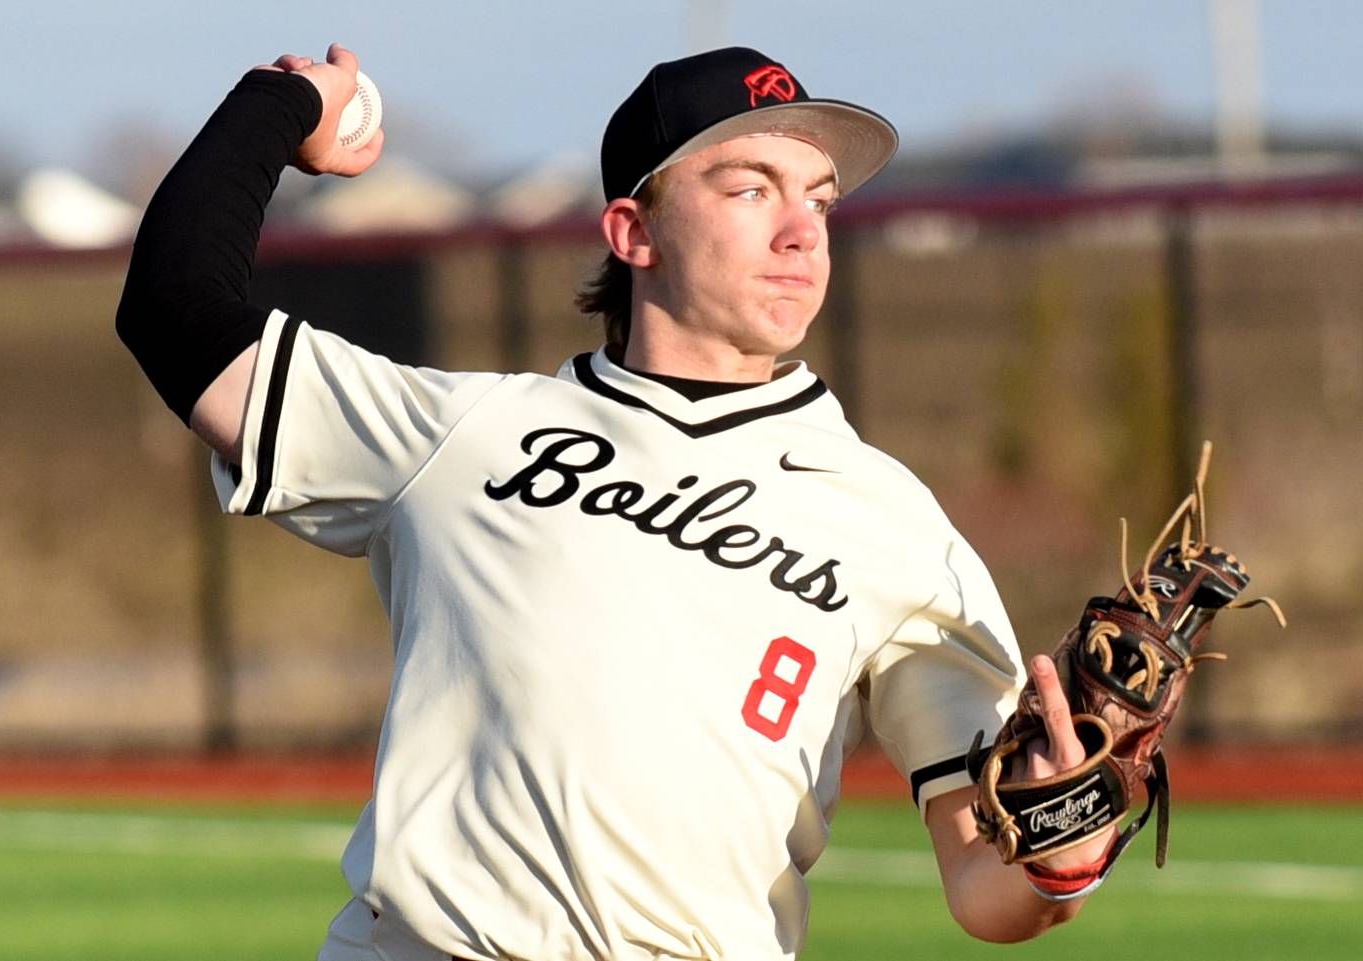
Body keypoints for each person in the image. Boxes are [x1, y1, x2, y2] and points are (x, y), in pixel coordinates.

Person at [118, 42, 1114, 961]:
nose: (799, 228)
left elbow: (984, 888)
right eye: (747, 186)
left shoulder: (893, 524)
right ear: (633, 230)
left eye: (819, 196)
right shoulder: (463, 434)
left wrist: (1059, 857)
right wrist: (282, 101)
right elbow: (176, 312)